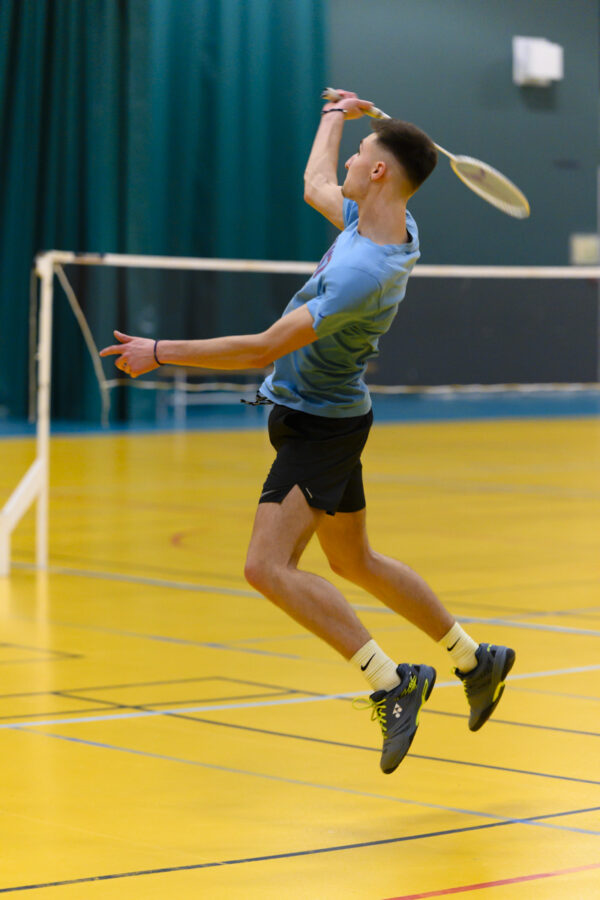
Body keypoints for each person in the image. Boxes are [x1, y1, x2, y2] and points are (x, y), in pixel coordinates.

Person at [100, 89, 515, 775]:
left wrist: (161, 351)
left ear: (381, 173)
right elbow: (315, 182)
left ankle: (391, 679)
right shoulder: (385, 225)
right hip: (331, 412)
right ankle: (476, 659)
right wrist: (336, 117)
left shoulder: (360, 273)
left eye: (361, 154)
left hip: (318, 427)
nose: (349, 162)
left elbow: (262, 347)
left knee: (265, 566)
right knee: (354, 563)